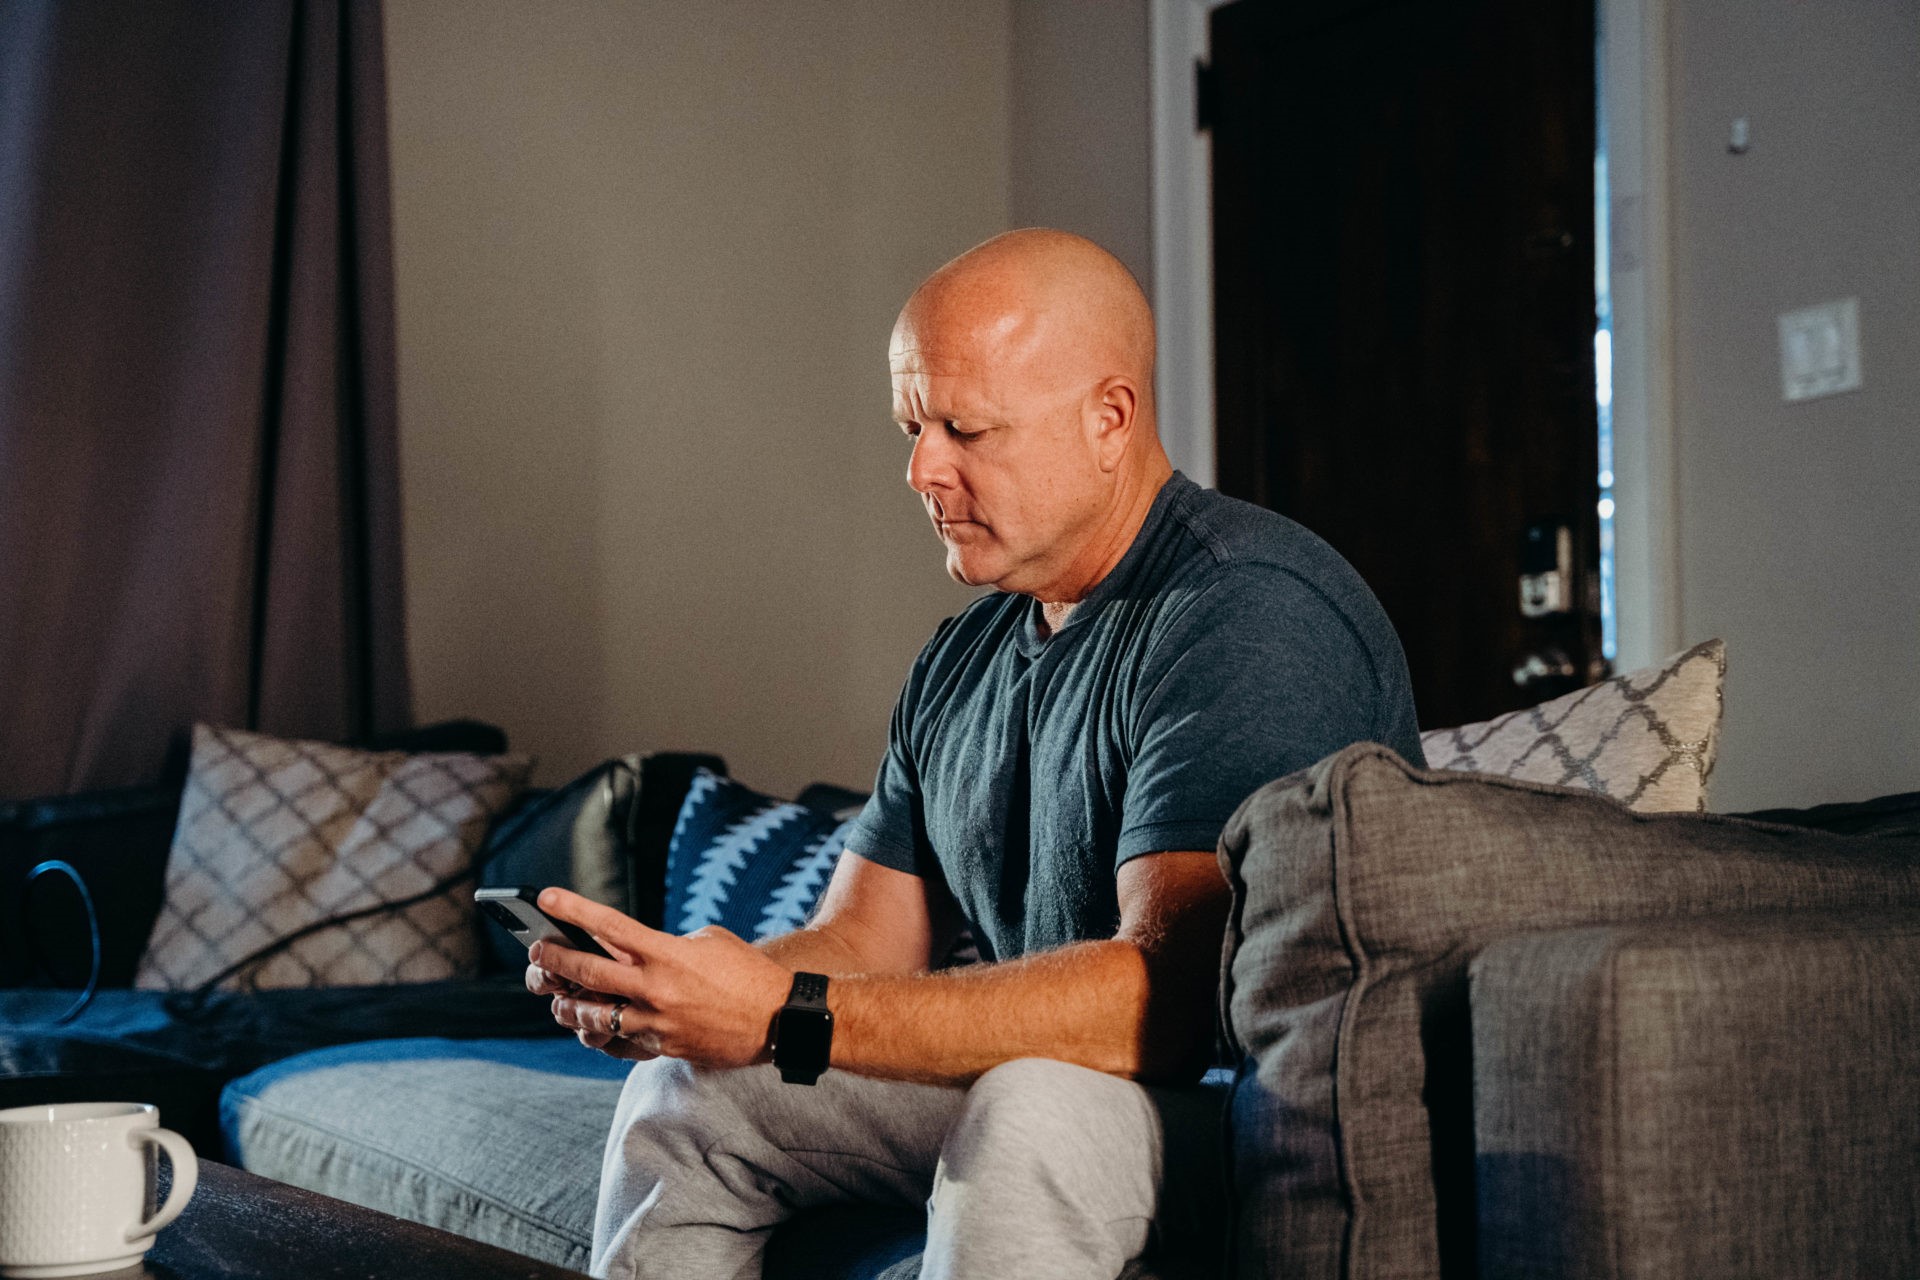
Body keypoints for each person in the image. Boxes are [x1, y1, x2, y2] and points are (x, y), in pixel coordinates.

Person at [528, 228, 1424, 1280]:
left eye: (967, 428)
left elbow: (1172, 1000)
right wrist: (688, 991)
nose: (921, 469)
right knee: (691, 1089)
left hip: (1254, 1122)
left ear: (1109, 418)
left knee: (1031, 1106)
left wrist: (786, 1013)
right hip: (1095, 1090)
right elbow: (868, 936)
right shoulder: (967, 653)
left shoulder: (1245, 612)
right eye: (914, 426)